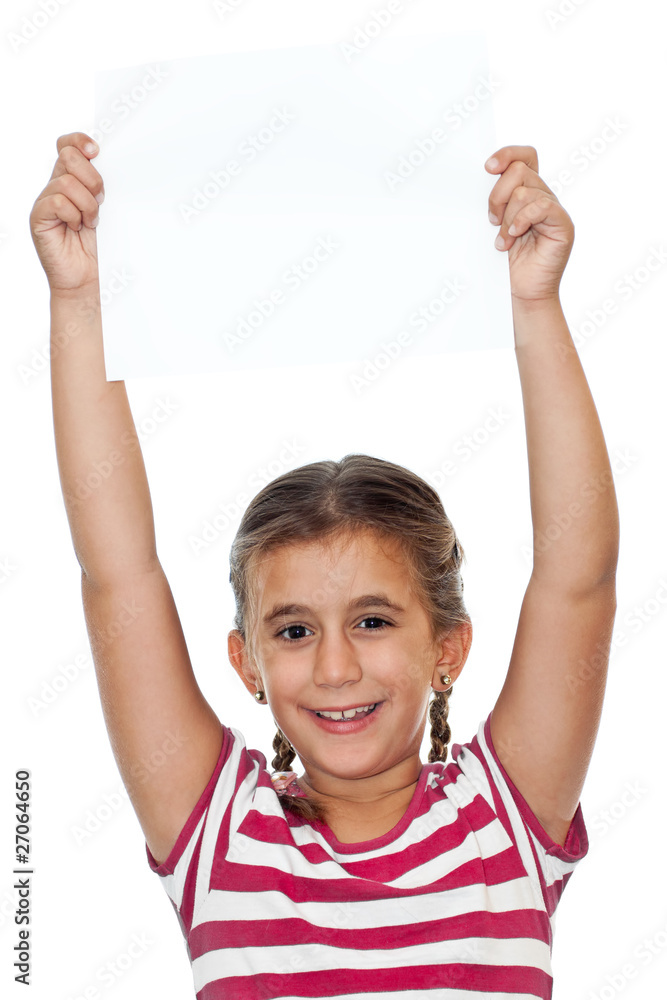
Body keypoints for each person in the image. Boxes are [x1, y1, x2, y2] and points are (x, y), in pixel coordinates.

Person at [30, 132, 619, 999]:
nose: (336, 667)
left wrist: (534, 304)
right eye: (294, 630)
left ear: (446, 650)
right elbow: (117, 570)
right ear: (249, 665)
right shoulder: (219, 832)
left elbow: (579, 575)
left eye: (373, 620)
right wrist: (77, 299)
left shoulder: (505, 819)